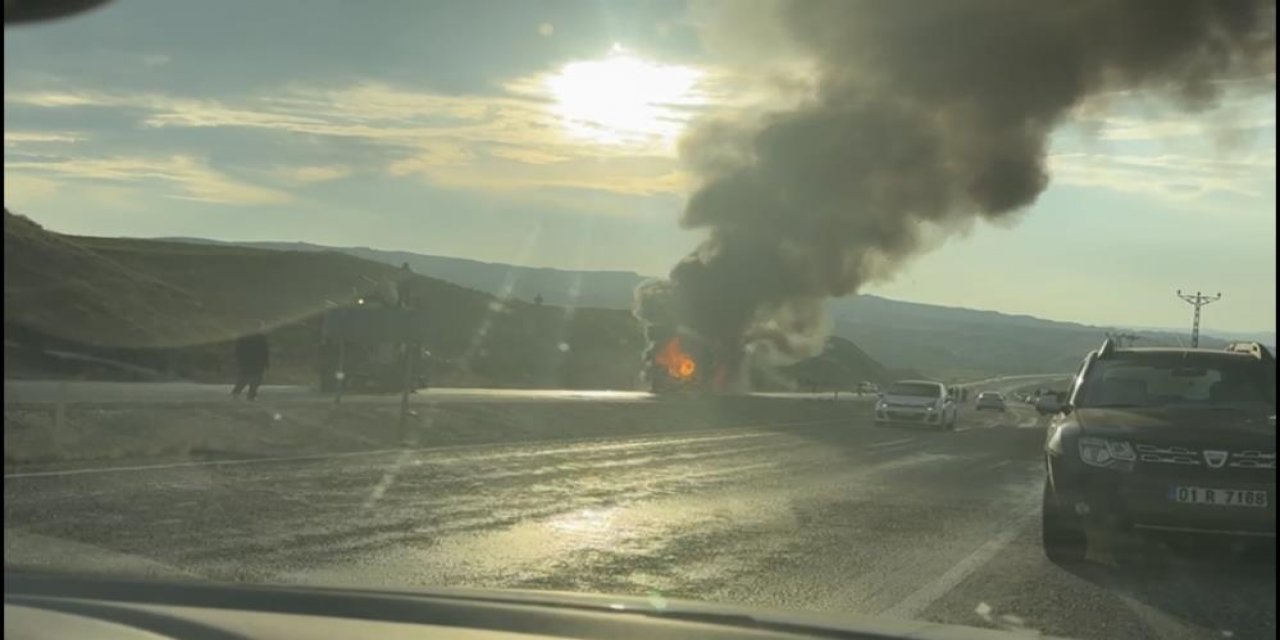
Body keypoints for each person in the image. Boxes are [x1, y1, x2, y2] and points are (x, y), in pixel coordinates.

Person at [232, 323, 270, 400]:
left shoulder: (260, 338)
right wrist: (266, 362)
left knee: (252, 378)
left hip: (253, 361)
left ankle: (246, 393)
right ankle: (241, 393)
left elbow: (264, 351)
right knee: (248, 377)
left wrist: (266, 362)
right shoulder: (258, 338)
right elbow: (264, 351)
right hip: (251, 360)